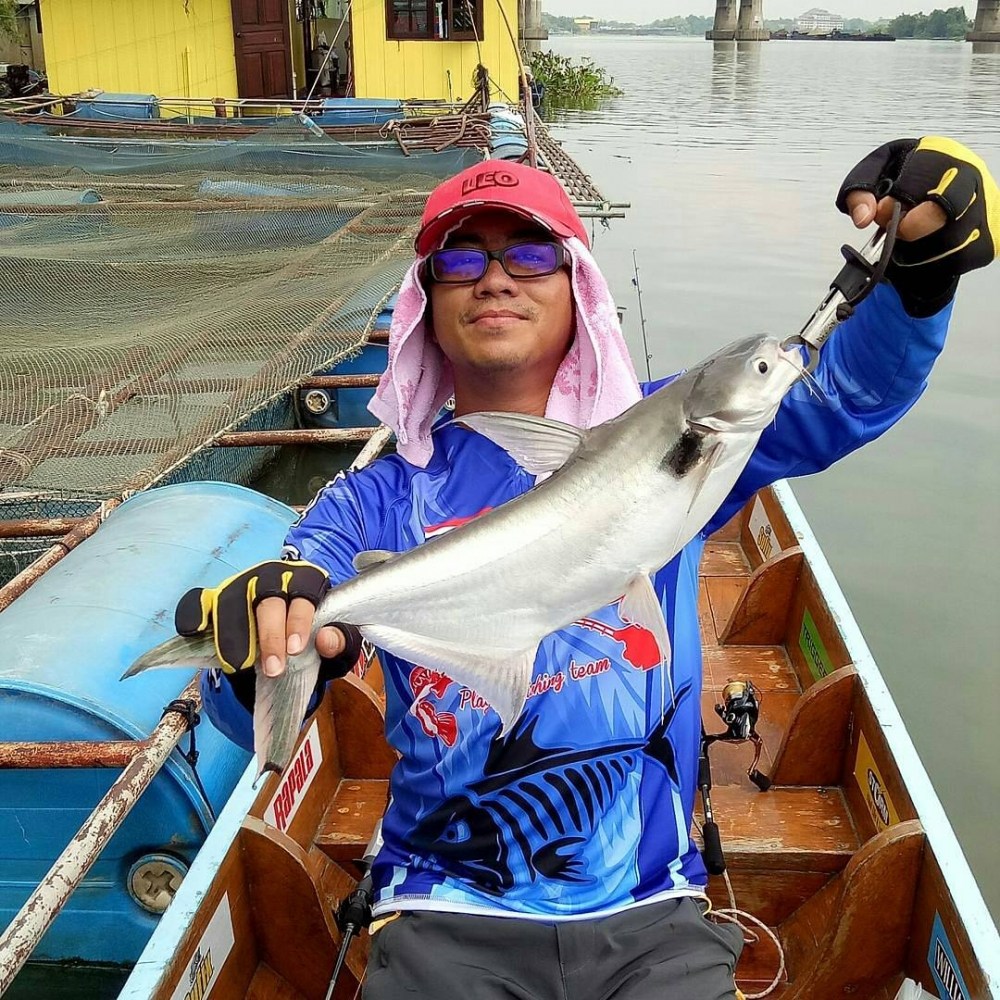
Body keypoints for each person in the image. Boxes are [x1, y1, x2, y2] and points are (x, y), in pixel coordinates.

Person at [186, 139, 998, 999]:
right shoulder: (369, 501)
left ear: (579, 286)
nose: (495, 278)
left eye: (530, 253)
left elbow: (846, 395)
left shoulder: (671, 435)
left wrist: (919, 280)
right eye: (461, 259)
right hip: (442, 905)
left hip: (654, 907)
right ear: (424, 308)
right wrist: (255, 652)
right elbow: (269, 664)